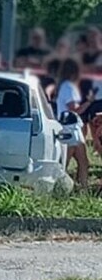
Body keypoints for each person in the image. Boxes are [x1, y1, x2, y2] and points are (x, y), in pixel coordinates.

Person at [55, 57, 91, 190]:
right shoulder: (68, 87)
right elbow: (74, 108)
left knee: (83, 162)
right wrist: (89, 102)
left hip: (72, 127)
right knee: (66, 163)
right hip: (70, 127)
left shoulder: (64, 86)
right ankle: (59, 188)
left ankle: (84, 189)